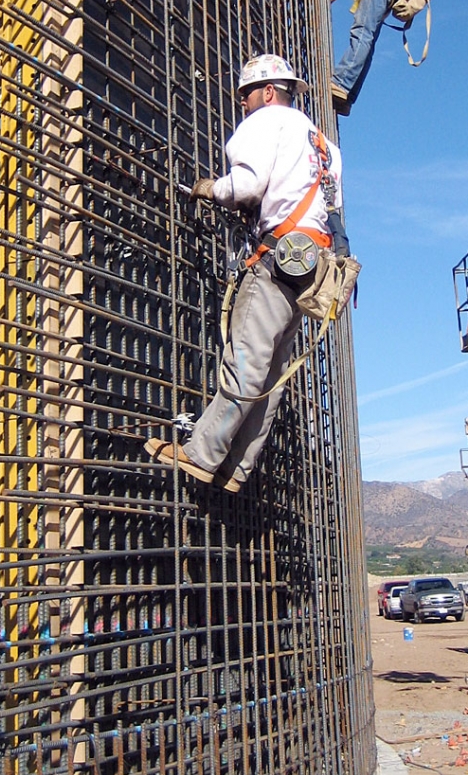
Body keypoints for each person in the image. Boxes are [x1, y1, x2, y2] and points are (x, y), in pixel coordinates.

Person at [147, 54, 343, 492]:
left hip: (277, 258)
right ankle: (238, 468)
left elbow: (248, 186)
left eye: (246, 94)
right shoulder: (323, 144)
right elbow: (327, 208)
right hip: (312, 265)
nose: (242, 104)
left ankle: (201, 454)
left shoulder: (266, 122)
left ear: (269, 92)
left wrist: (211, 188)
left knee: (247, 359)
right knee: (272, 372)